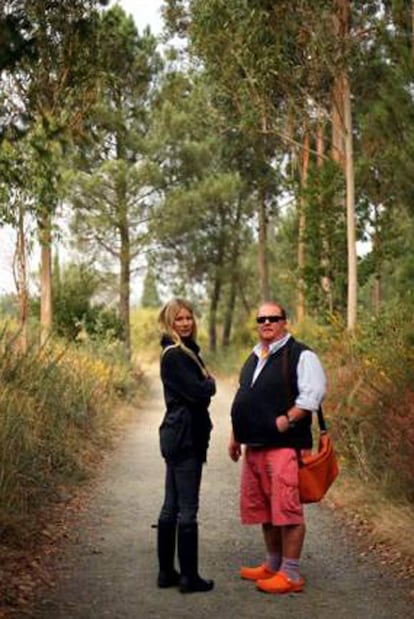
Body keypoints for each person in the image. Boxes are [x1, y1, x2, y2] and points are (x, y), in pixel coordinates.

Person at [228, 300, 326, 594]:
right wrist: (235, 435)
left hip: (285, 446)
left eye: (273, 318)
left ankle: (291, 574)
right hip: (255, 446)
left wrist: (289, 418)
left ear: (285, 321)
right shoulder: (255, 356)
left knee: (287, 509)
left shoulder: (301, 355)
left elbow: (314, 393)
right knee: (266, 510)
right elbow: (244, 398)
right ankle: (272, 565)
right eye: (261, 319)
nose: (267, 323)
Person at [156, 298, 216, 593]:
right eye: (179, 319)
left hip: (178, 432)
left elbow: (195, 391)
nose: (186, 323)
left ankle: (167, 572)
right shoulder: (176, 355)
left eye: (189, 318)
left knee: (172, 505)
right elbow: (198, 392)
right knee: (186, 508)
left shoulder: (184, 351)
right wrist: (210, 385)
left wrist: (204, 388)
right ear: (169, 323)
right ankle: (188, 578)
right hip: (185, 436)